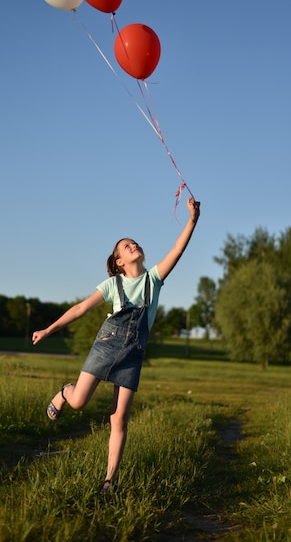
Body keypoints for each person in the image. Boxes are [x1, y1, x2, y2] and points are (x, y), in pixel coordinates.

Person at [32, 197, 200, 493]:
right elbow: (80, 309)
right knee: (79, 402)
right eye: (126, 245)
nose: (133, 245)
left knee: (119, 417)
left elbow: (177, 249)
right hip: (106, 345)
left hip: (133, 353)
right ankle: (63, 392)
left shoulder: (154, 279)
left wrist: (192, 219)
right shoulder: (112, 284)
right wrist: (48, 329)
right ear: (119, 261)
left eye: (134, 242)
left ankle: (109, 480)